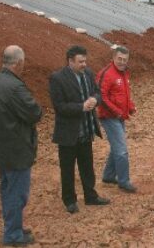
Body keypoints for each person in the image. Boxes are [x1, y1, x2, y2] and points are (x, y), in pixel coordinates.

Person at [0, 46, 42, 246]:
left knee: (8, 190)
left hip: (1, 147)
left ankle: (13, 227)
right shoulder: (14, 87)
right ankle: (13, 235)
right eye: (23, 61)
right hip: (16, 148)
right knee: (18, 193)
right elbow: (34, 113)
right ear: (18, 63)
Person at [49, 45, 110, 213]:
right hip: (68, 134)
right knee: (67, 169)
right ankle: (69, 201)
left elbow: (98, 93)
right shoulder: (57, 78)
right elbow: (59, 106)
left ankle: (91, 196)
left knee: (87, 166)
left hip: (86, 131)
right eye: (80, 61)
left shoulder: (89, 74)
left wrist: (95, 100)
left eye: (85, 61)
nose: (84, 64)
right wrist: (81, 107)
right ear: (70, 61)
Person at [96, 46, 137, 193]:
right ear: (113, 57)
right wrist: (117, 111)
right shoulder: (107, 74)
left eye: (125, 60)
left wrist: (130, 107)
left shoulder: (124, 73)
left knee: (117, 146)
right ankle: (124, 181)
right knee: (121, 150)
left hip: (119, 116)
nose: (122, 62)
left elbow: (124, 94)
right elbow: (101, 96)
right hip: (109, 117)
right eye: (119, 59)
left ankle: (108, 176)